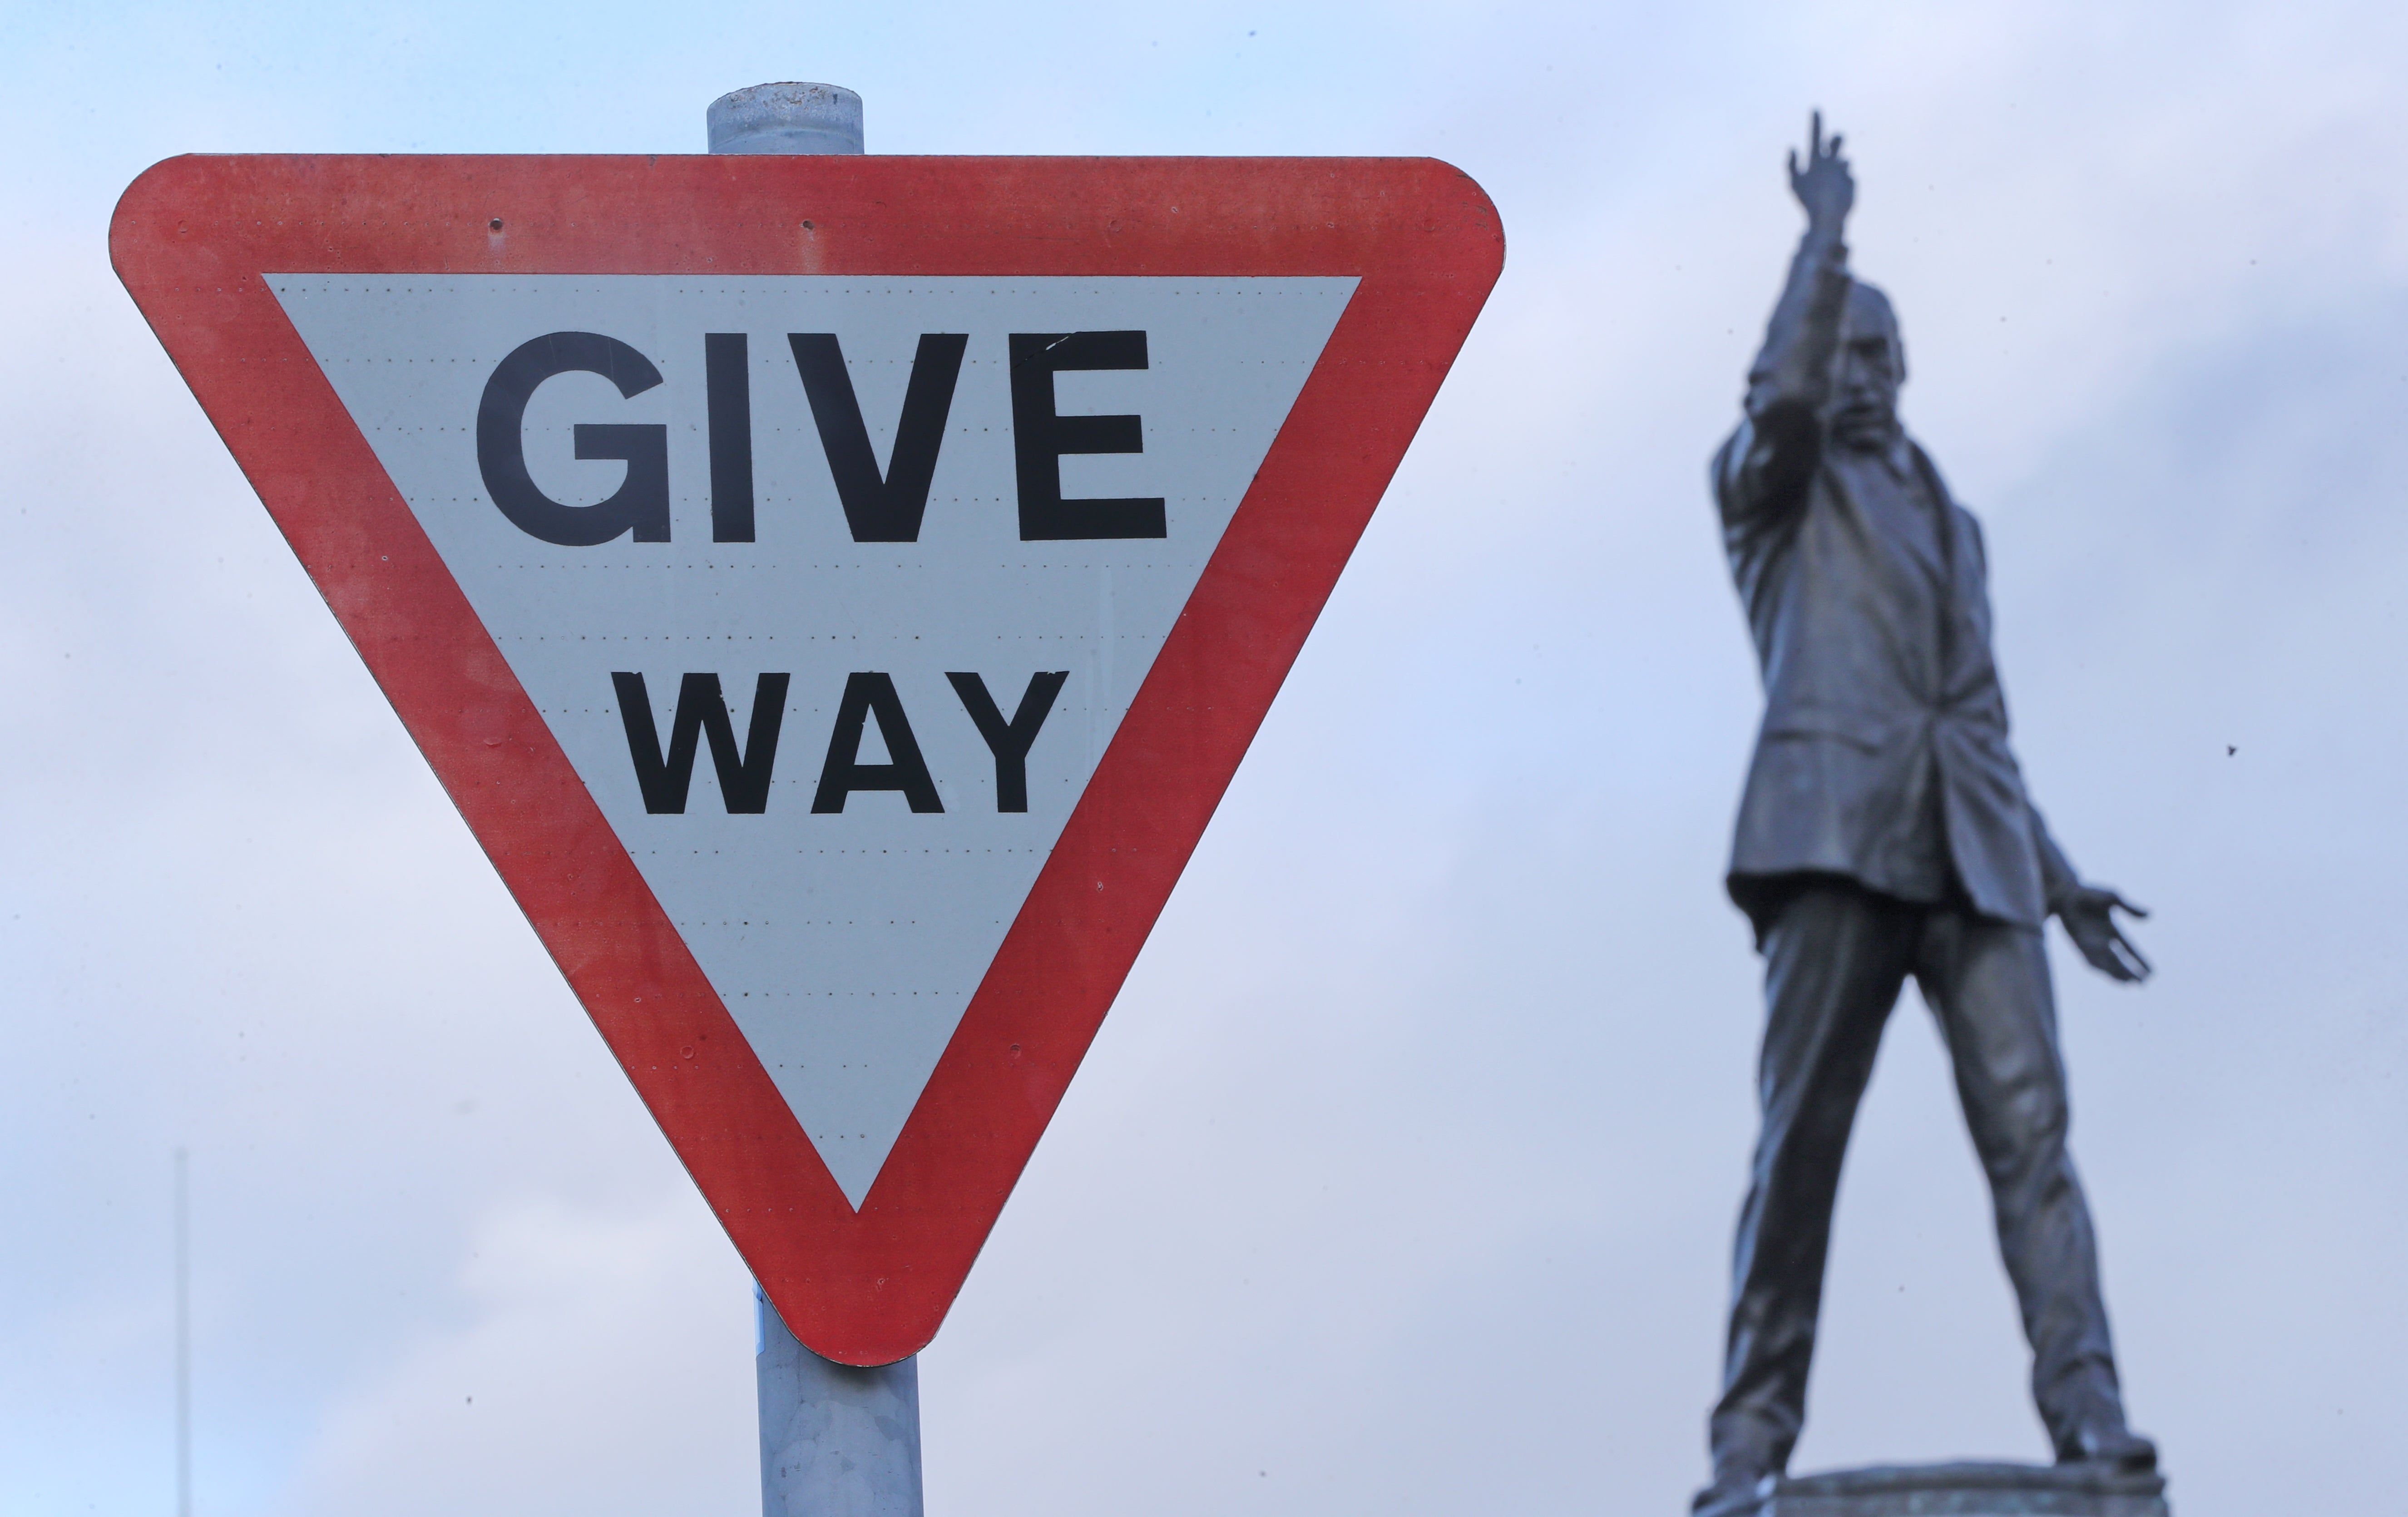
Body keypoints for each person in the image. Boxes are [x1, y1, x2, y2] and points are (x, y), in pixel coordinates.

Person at [1697, 114, 2158, 1514]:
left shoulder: (1953, 522)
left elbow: (1980, 723)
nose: (1877, 380)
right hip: (1835, 839)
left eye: (1891, 359)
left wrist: (2060, 878)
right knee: (1804, 1152)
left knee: (2037, 1149)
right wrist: (1823, 240)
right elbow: (1775, 399)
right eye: (1854, 353)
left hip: (1977, 863)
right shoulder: (1770, 493)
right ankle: (1747, 1445)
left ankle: (2093, 1422)